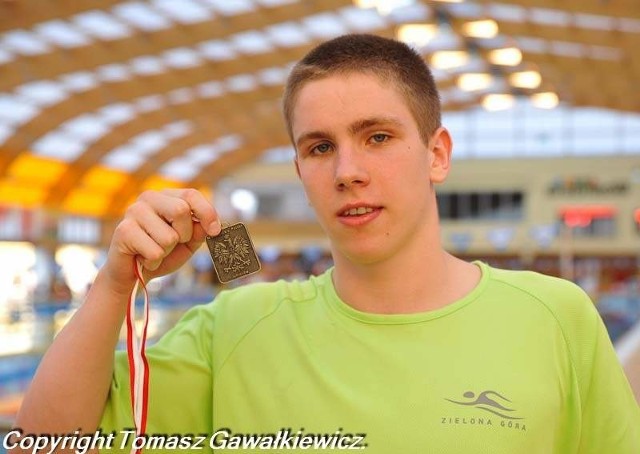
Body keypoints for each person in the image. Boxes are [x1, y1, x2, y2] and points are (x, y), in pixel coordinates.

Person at [11, 34, 639, 453]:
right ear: (301, 173)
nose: (347, 171)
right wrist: (114, 283)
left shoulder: (555, 317)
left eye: (378, 137)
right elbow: (49, 442)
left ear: (437, 154)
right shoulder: (235, 328)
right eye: (319, 147)